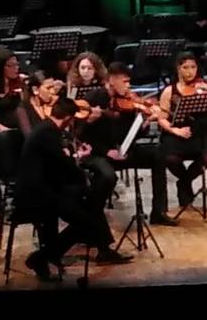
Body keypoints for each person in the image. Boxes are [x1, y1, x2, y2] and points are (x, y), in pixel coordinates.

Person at [15, 97, 132, 280]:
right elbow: (65, 165)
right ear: (68, 118)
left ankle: (102, 250)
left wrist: (75, 158)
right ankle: (41, 258)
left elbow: (59, 163)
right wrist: (80, 163)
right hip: (37, 195)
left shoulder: (47, 129)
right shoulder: (47, 133)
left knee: (91, 206)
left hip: (47, 187)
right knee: (86, 219)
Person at [103, 62, 176, 225]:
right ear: (112, 80)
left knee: (158, 155)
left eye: (129, 82)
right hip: (107, 153)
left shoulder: (129, 102)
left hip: (127, 150)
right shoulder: (102, 99)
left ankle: (159, 212)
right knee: (103, 175)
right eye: (125, 82)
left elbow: (133, 134)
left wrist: (143, 125)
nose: (129, 86)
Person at [156, 52, 207, 208]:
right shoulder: (169, 91)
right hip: (176, 134)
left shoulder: (203, 88)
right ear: (178, 69)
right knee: (170, 158)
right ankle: (185, 184)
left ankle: (184, 183)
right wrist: (176, 131)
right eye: (186, 67)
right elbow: (161, 118)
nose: (190, 71)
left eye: (193, 67)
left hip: (200, 133)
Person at [65, 52, 117, 210]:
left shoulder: (104, 89)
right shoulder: (72, 89)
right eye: (82, 68)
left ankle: (94, 201)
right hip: (82, 135)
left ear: (96, 70)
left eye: (90, 68)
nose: (86, 71)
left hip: (102, 135)